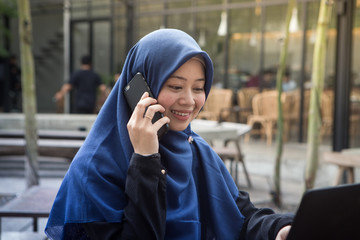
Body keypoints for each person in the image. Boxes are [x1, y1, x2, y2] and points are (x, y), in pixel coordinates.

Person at [45, 29, 293, 239]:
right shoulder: (95, 169)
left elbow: (241, 215)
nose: (189, 100)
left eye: (198, 88)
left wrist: (279, 229)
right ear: (142, 88)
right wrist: (145, 160)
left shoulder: (196, 150)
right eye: (175, 86)